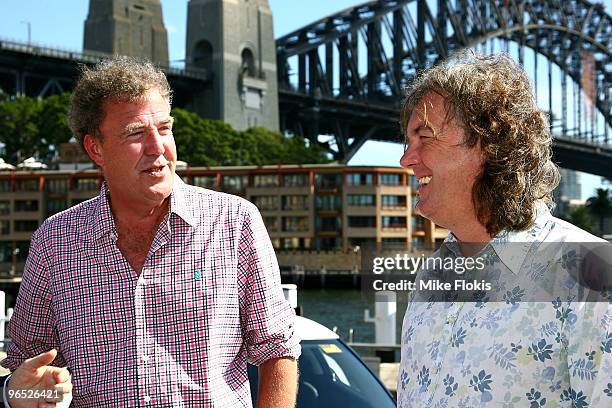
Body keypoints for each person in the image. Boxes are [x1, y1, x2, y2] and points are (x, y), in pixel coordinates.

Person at [0, 57, 300, 407]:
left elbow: (277, 348)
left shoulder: (234, 221)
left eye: (164, 128)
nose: (158, 147)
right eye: (136, 133)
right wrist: (13, 395)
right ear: (95, 148)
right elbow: (27, 367)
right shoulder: (55, 241)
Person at [396, 52, 610, 407]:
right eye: (408, 141)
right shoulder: (430, 276)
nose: (406, 158)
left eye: (425, 136)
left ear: (490, 144)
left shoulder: (591, 274)